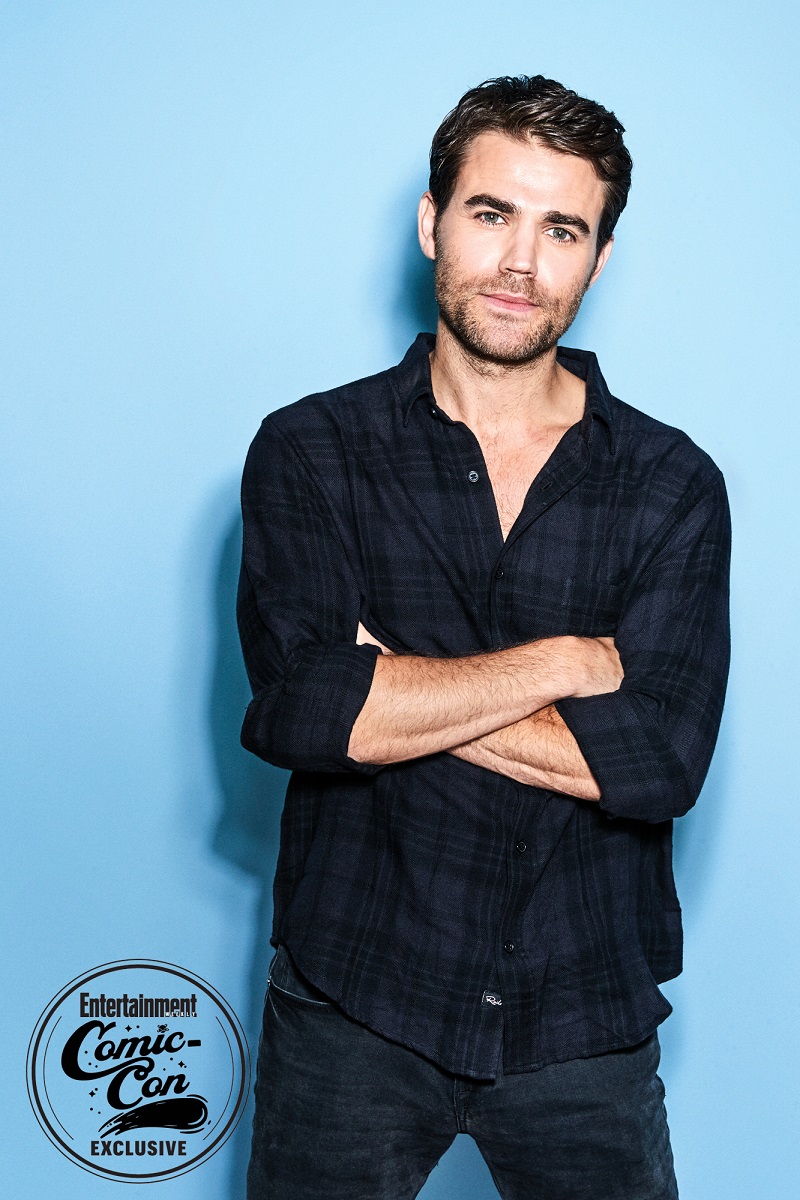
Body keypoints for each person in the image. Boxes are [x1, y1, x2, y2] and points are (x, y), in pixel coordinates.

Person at [237, 74, 731, 1200]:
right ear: (431, 222)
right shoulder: (312, 451)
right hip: (355, 996)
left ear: (598, 259)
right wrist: (564, 664)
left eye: (562, 230)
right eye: (491, 213)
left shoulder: (670, 485)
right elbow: (303, 712)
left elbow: (658, 765)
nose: (520, 262)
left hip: (584, 1013)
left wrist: (387, 692)